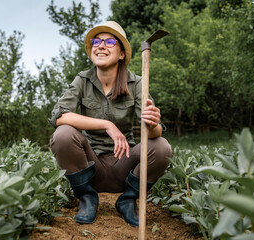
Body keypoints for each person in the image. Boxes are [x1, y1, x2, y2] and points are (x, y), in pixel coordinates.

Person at [49, 21, 172, 227]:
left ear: (122, 54)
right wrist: (107, 124)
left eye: (109, 42)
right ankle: (87, 197)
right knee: (63, 134)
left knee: (162, 147)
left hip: (124, 166)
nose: (100, 45)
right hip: (90, 166)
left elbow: (153, 134)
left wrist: (153, 123)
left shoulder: (138, 83)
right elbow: (59, 117)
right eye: (96, 41)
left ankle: (128, 200)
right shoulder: (82, 80)